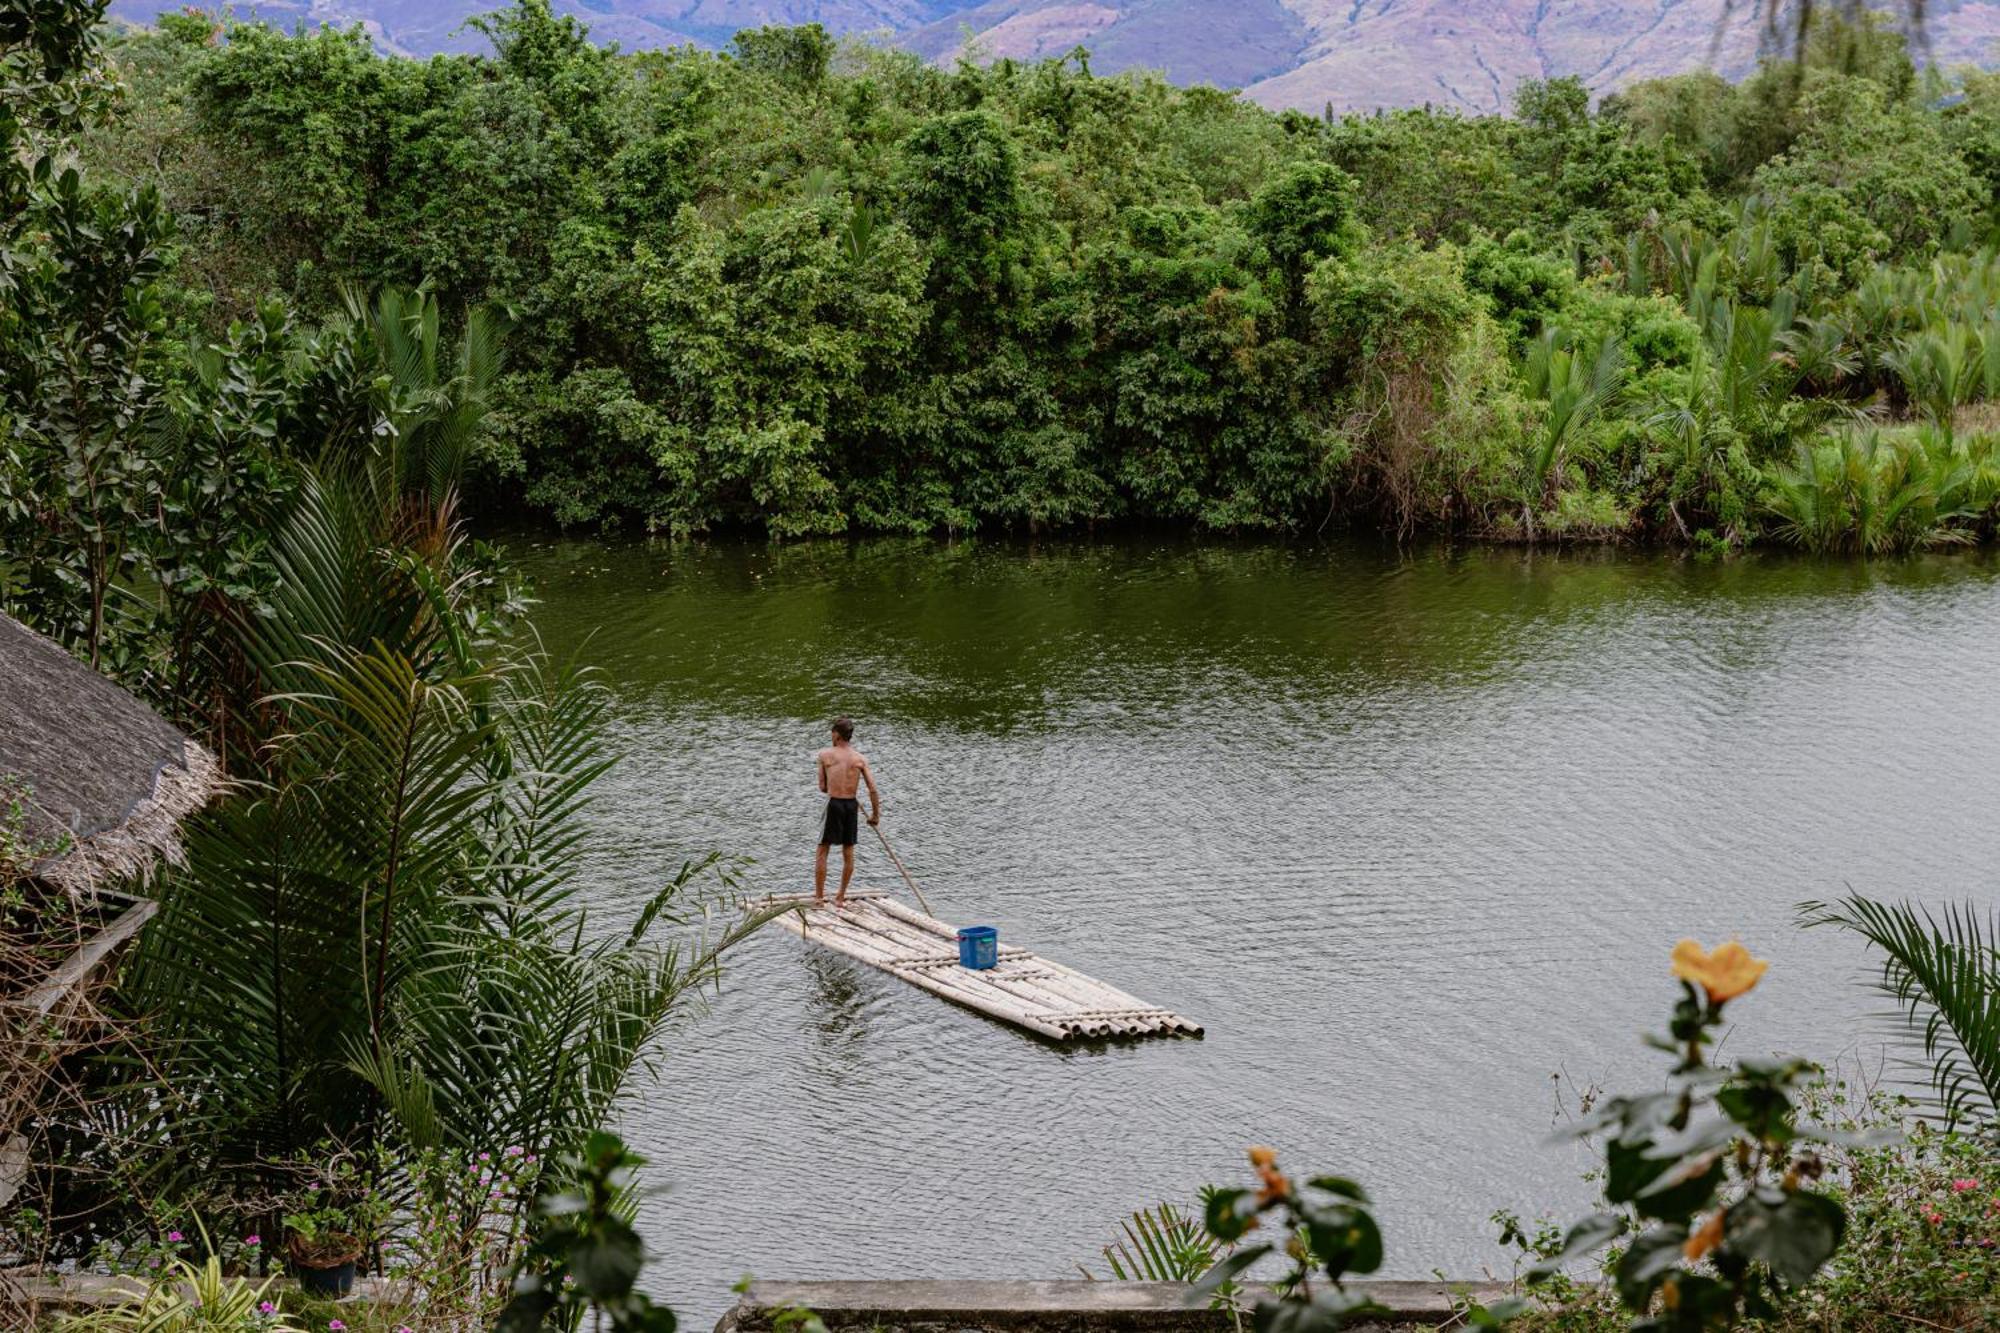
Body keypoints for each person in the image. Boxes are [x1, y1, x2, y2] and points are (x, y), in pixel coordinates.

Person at [814, 717, 880, 908]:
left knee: (822, 849)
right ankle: (840, 897)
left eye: (832, 733)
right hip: (851, 806)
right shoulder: (860, 759)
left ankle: (819, 898)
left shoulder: (825, 755)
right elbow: (873, 789)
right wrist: (875, 816)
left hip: (834, 803)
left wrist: (833, 781)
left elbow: (822, 787)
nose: (831, 736)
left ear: (836, 734)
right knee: (848, 851)